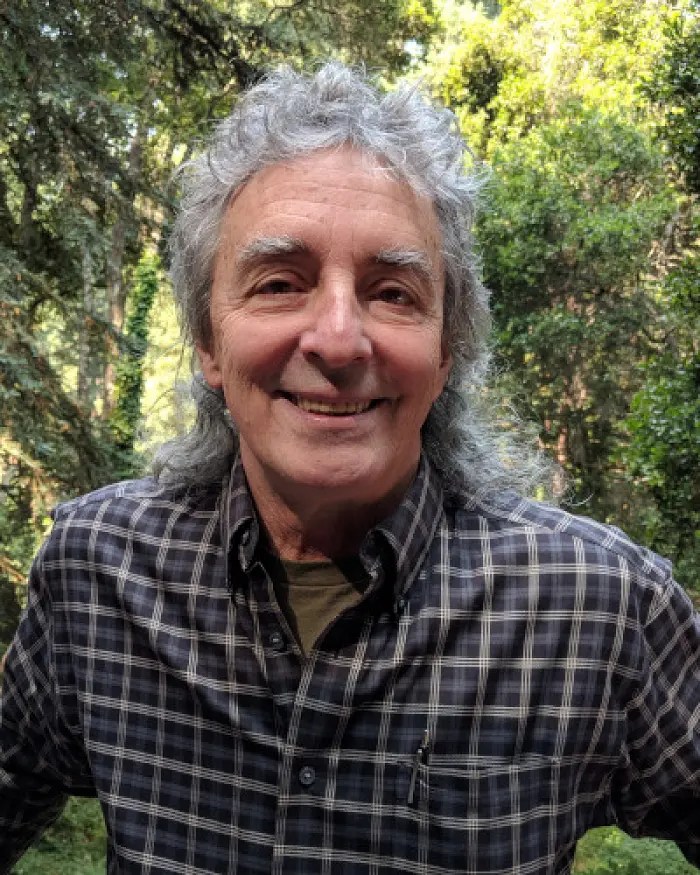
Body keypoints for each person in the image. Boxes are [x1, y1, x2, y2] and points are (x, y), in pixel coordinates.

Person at [1, 62, 698, 875]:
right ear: (208, 344)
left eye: (393, 293)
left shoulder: (604, 607)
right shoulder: (96, 570)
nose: (337, 339)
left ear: (446, 353)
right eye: (278, 283)